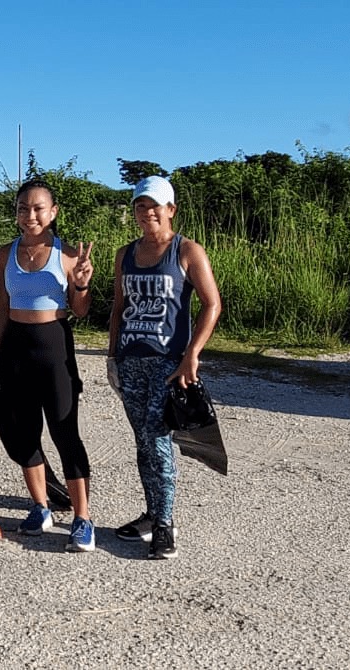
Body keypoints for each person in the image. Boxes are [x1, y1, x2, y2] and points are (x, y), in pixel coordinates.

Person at [108, 175, 221, 560]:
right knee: (143, 441)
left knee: (157, 442)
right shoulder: (125, 254)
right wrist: (112, 358)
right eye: (141, 205)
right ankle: (152, 512)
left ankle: (164, 524)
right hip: (131, 360)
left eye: (155, 205)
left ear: (171, 210)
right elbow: (119, 308)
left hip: (168, 364)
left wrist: (192, 354)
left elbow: (211, 304)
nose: (148, 212)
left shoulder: (187, 251)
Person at [0, 179, 97, 552]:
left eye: (38, 208)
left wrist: (81, 285)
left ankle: (82, 517)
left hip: (54, 347)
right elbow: (2, 308)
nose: (30, 215)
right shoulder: (6, 253)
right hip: (16, 348)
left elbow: (80, 311)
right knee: (24, 432)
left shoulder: (67, 254)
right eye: (23, 208)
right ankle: (40, 506)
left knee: (65, 431)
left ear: (52, 213)